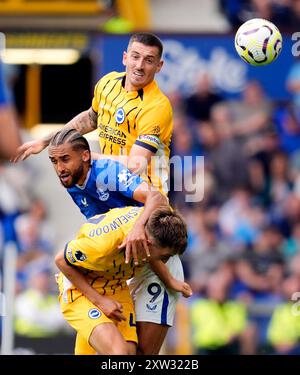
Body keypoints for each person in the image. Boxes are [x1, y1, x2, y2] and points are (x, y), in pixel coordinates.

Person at [13, 32, 185, 354]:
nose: (140, 65)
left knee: (141, 355)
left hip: (147, 218)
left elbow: (135, 163)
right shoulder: (106, 84)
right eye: (135, 56)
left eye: (149, 60)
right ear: (124, 57)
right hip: (115, 220)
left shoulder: (157, 107)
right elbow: (90, 119)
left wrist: (81, 157)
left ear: (159, 66)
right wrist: (50, 140)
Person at [55, 205, 188, 355]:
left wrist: (169, 280)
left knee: (129, 354)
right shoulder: (102, 245)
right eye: (164, 256)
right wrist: (100, 301)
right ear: (148, 243)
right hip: (80, 288)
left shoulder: (154, 226)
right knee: (119, 353)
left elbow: (157, 198)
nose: (165, 262)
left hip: (116, 285)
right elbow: (61, 260)